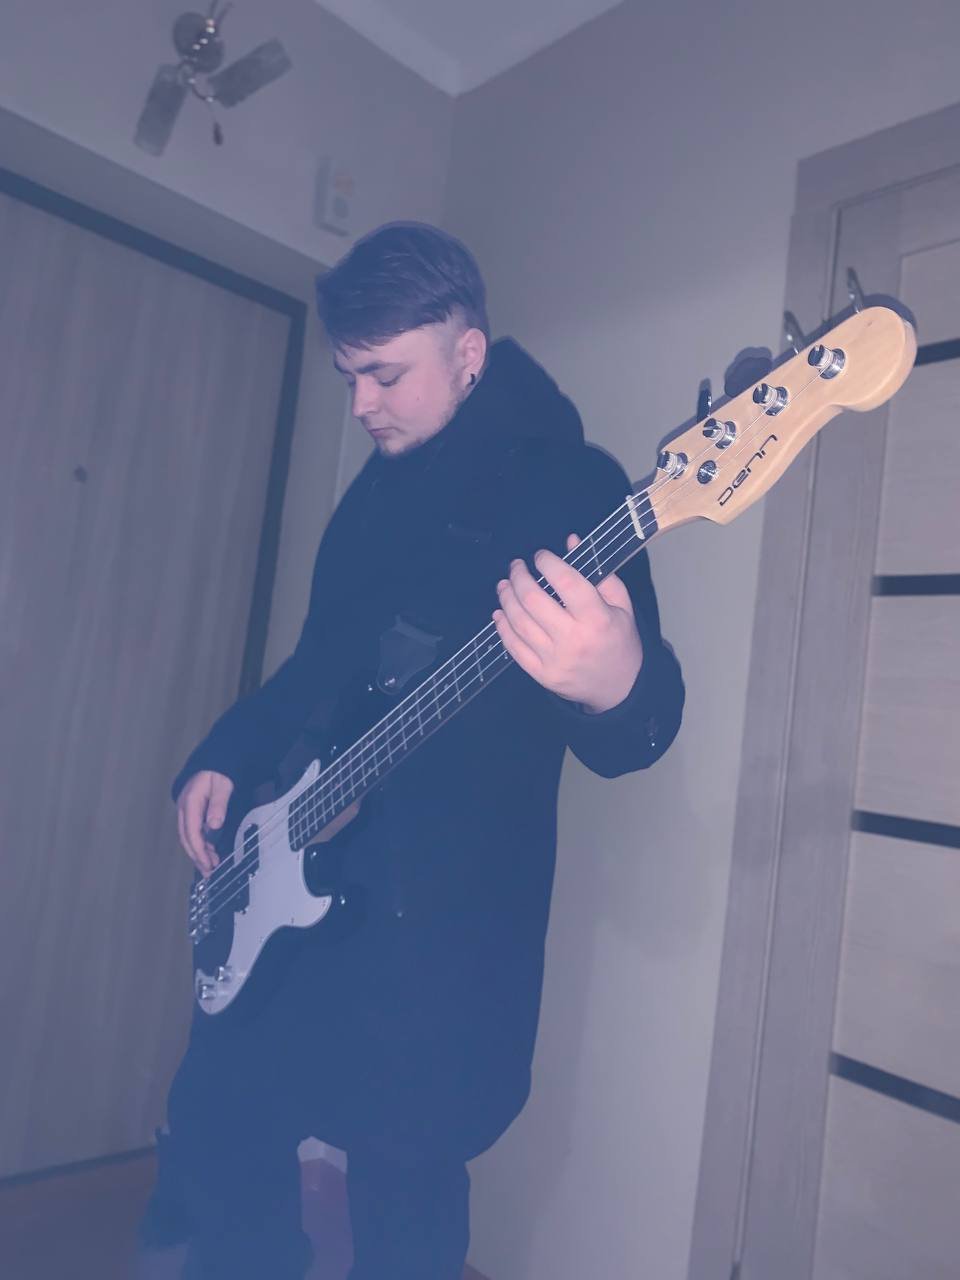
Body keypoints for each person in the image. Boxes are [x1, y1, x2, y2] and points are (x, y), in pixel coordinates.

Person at [140, 222, 684, 1279]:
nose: (361, 405)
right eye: (349, 378)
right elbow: (316, 669)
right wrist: (226, 750)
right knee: (223, 1115)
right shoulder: (370, 501)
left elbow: (644, 728)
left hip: (443, 936)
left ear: (467, 354)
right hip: (306, 892)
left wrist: (617, 678)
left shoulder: (572, 488)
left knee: (407, 1201)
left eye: (383, 375)